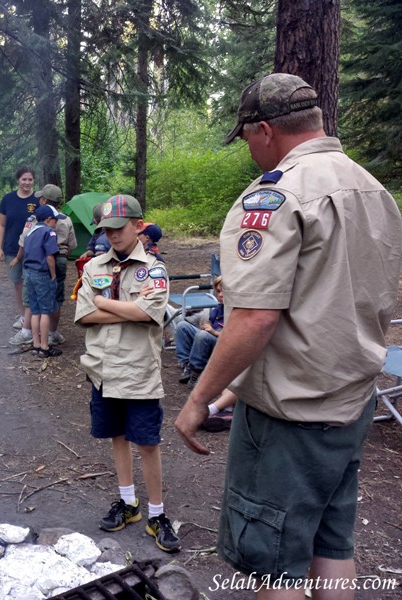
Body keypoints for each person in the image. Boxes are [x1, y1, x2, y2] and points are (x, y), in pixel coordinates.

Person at [175, 73, 402, 599]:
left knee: (275, 565)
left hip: (290, 417)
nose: (250, 148)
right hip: (351, 403)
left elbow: (255, 318)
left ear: (264, 130)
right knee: (331, 544)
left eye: (247, 136)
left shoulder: (274, 199)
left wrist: (200, 399)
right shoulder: (373, 191)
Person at [74, 194, 181, 554]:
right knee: (117, 436)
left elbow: (151, 313)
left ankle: (157, 513)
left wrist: (103, 303)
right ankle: (128, 503)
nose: (112, 236)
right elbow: (83, 316)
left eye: (119, 228)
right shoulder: (93, 266)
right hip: (102, 369)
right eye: (106, 229)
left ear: (138, 225)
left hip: (138, 371)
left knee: (147, 443)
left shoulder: (153, 268)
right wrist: (126, 308)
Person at [35, 184, 77, 346]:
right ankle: (53, 332)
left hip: (41, 259)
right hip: (60, 258)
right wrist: (64, 254)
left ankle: (38, 332)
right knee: (57, 297)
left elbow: (27, 238)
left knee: (40, 293)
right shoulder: (66, 219)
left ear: (45, 200)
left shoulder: (37, 218)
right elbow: (73, 244)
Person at [0, 166, 38, 330]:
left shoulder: (38, 199)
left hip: (34, 249)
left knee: (32, 282)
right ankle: (23, 315)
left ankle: (34, 316)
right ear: (18, 180)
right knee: (17, 283)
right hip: (12, 248)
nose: (27, 182)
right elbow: (1, 225)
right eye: (24, 179)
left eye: (30, 179)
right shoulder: (8, 199)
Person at [23, 204, 63, 358]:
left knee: (35, 311)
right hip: (42, 274)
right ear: (48, 219)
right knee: (45, 311)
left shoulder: (30, 232)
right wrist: (53, 275)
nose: (56, 223)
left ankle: (36, 344)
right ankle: (45, 347)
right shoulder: (49, 232)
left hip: (29, 274)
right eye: (55, 220)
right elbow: (50, 256)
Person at [175, 276, 224, 388]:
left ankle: (196, 373)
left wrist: (213, 332)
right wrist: (207, 326)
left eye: (224, 292)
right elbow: (212, 324)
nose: (220, 295)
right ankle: (186, 366)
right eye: (218, 291)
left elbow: (234, 338)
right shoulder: (218, 309)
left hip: (222, 346)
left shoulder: (235, 311)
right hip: (211, 340)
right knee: (182, 326)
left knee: (203, 335)